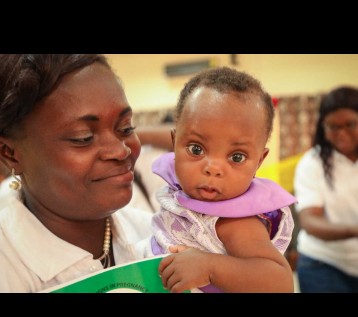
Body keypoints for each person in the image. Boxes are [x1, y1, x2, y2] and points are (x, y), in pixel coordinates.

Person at [0, 54, 154, 293]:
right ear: (10, 153)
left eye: (126, 128)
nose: (120, 150)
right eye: (83, 138)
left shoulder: (156, 236)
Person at [149, 67, 296, 293]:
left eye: (237, 157)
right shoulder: (177, 189)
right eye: (196, 149)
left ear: (258, 161)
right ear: (174, 141)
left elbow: (280, 282)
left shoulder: (235, 220)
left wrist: (209, 267)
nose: (213, 168)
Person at [294, 86, 358, 293]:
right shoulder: (312, 163)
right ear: (322, 126)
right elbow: (310, 221)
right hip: (323, 264)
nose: (342, 134)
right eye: (333, 126)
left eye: (351, 124)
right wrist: (354, 230)